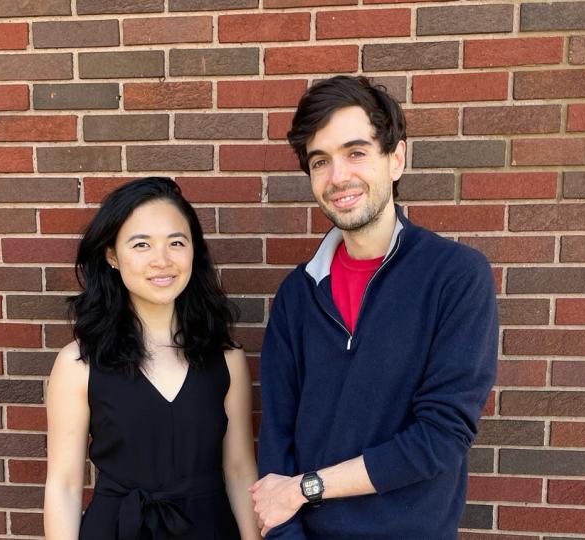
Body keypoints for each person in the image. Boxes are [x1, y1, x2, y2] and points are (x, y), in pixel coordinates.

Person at [250, 76, 499, 539]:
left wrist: (307, 488)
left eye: (356, 152)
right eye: (320, 161)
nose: (337, 177)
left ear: (396, 158)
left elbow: (441, 437)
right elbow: (277, 441)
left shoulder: (455, 276)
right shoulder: (298, 295)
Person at [44, 177, 261, 540]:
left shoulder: (227, 359)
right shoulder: (78, 364)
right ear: (112, 256)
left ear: (193, 251)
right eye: (141, 244)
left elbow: (240, 471)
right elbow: (64, 485)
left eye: (176, 242)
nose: (162, 261)